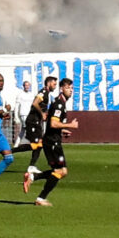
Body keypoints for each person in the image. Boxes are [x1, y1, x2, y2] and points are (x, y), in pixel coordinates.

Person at [35, 77, 75, 205]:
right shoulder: (59, 103)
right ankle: (40, 198)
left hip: (53, 140)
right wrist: (70, 125)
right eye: (68, 88)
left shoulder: (61, 103)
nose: (71, 90)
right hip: (52, 142)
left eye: (72, 88)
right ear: (62, 88)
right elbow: (53, 123)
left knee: (61, 171)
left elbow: (54, 125)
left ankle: (33, 177)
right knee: (60, 171)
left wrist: (63, 130)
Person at [19, 76, 50, 189]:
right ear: (49, 83)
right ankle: (10, 151)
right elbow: (35, 103)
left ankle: (31, 166)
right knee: (36, 144)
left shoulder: (46, 93)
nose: (55, 86)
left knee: (39, 144)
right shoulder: (43, 92)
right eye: (54, 84)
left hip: (36, 121)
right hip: (33, 121)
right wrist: (42, 113)